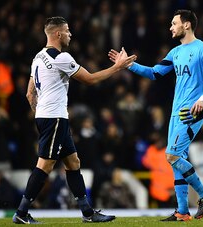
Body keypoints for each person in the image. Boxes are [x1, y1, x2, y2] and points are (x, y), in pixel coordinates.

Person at [12, 16, 136, 224]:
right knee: (45, 165)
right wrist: (118, 67)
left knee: (73, 162)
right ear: (58, 34)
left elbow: (29, 93)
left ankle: (87, 212)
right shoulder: (61, 57)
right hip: (55, 118)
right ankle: (21, 212)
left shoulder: (38, 57)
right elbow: (90, 79)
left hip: (48, 116)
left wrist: (39, 112)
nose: (71, 34)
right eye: (68, 31)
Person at [109, 10, 203, 221]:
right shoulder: (175, 52)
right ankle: (182, 211)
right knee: (175, 159)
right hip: (175, 112)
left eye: (174, 23)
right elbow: (154, 73)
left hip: (191, 112)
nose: (170, 27)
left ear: (187, 25)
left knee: (171, 156)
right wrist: (129, 65)